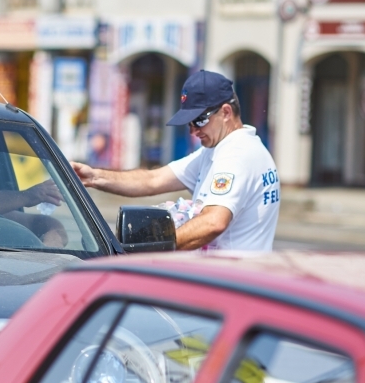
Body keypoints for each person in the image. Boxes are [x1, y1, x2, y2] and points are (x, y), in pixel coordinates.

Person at [72, 70, 280, 251]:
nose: (193, 130)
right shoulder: (219, 150)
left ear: (226, 112)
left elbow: (213, 222)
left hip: (232, 285)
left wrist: (154, 247)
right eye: (189, 123)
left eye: (199, 120)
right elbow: (153, 180)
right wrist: (94, 177)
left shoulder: (236, 155)